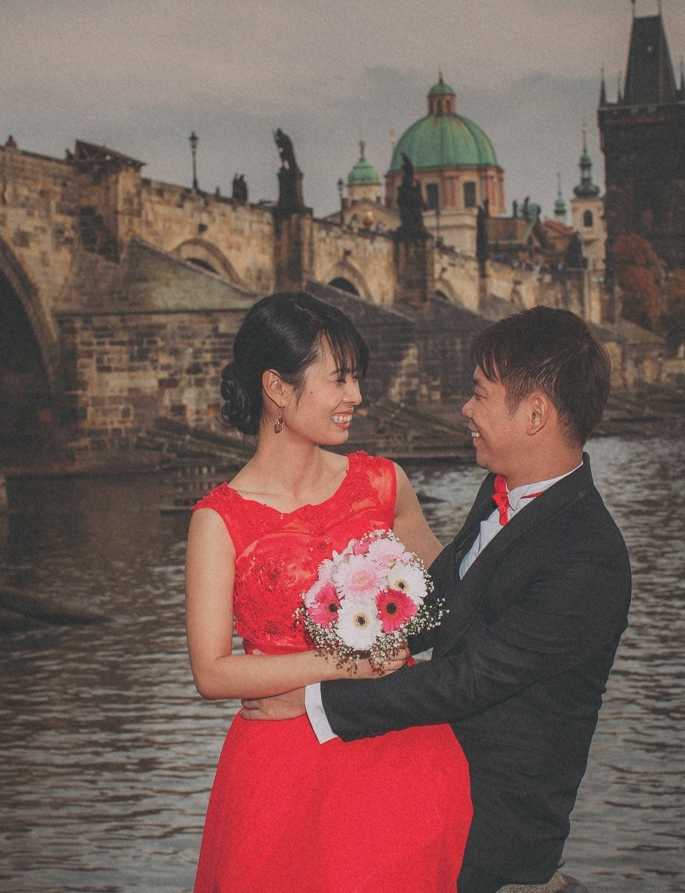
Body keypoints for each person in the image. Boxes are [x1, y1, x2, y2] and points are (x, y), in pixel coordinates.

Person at [244, 306, 631, 893]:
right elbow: (435, 610)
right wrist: (311, 628)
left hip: (494, 841)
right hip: (427, 794)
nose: (466, 411)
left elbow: (469, 679)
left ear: (534, 414)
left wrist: (316, 700)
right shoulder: (500, 490)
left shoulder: (588, 555)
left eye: (479, 395)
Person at [187, 290, 472, 892]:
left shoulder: (383, 483)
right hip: (281, 769)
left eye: (356, 378)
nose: (356, 397)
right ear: (277, 388)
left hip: (397, 749)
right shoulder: (219, 521)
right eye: (339, 379)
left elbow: (451, 600)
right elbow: (212, 672)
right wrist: (340, 664)